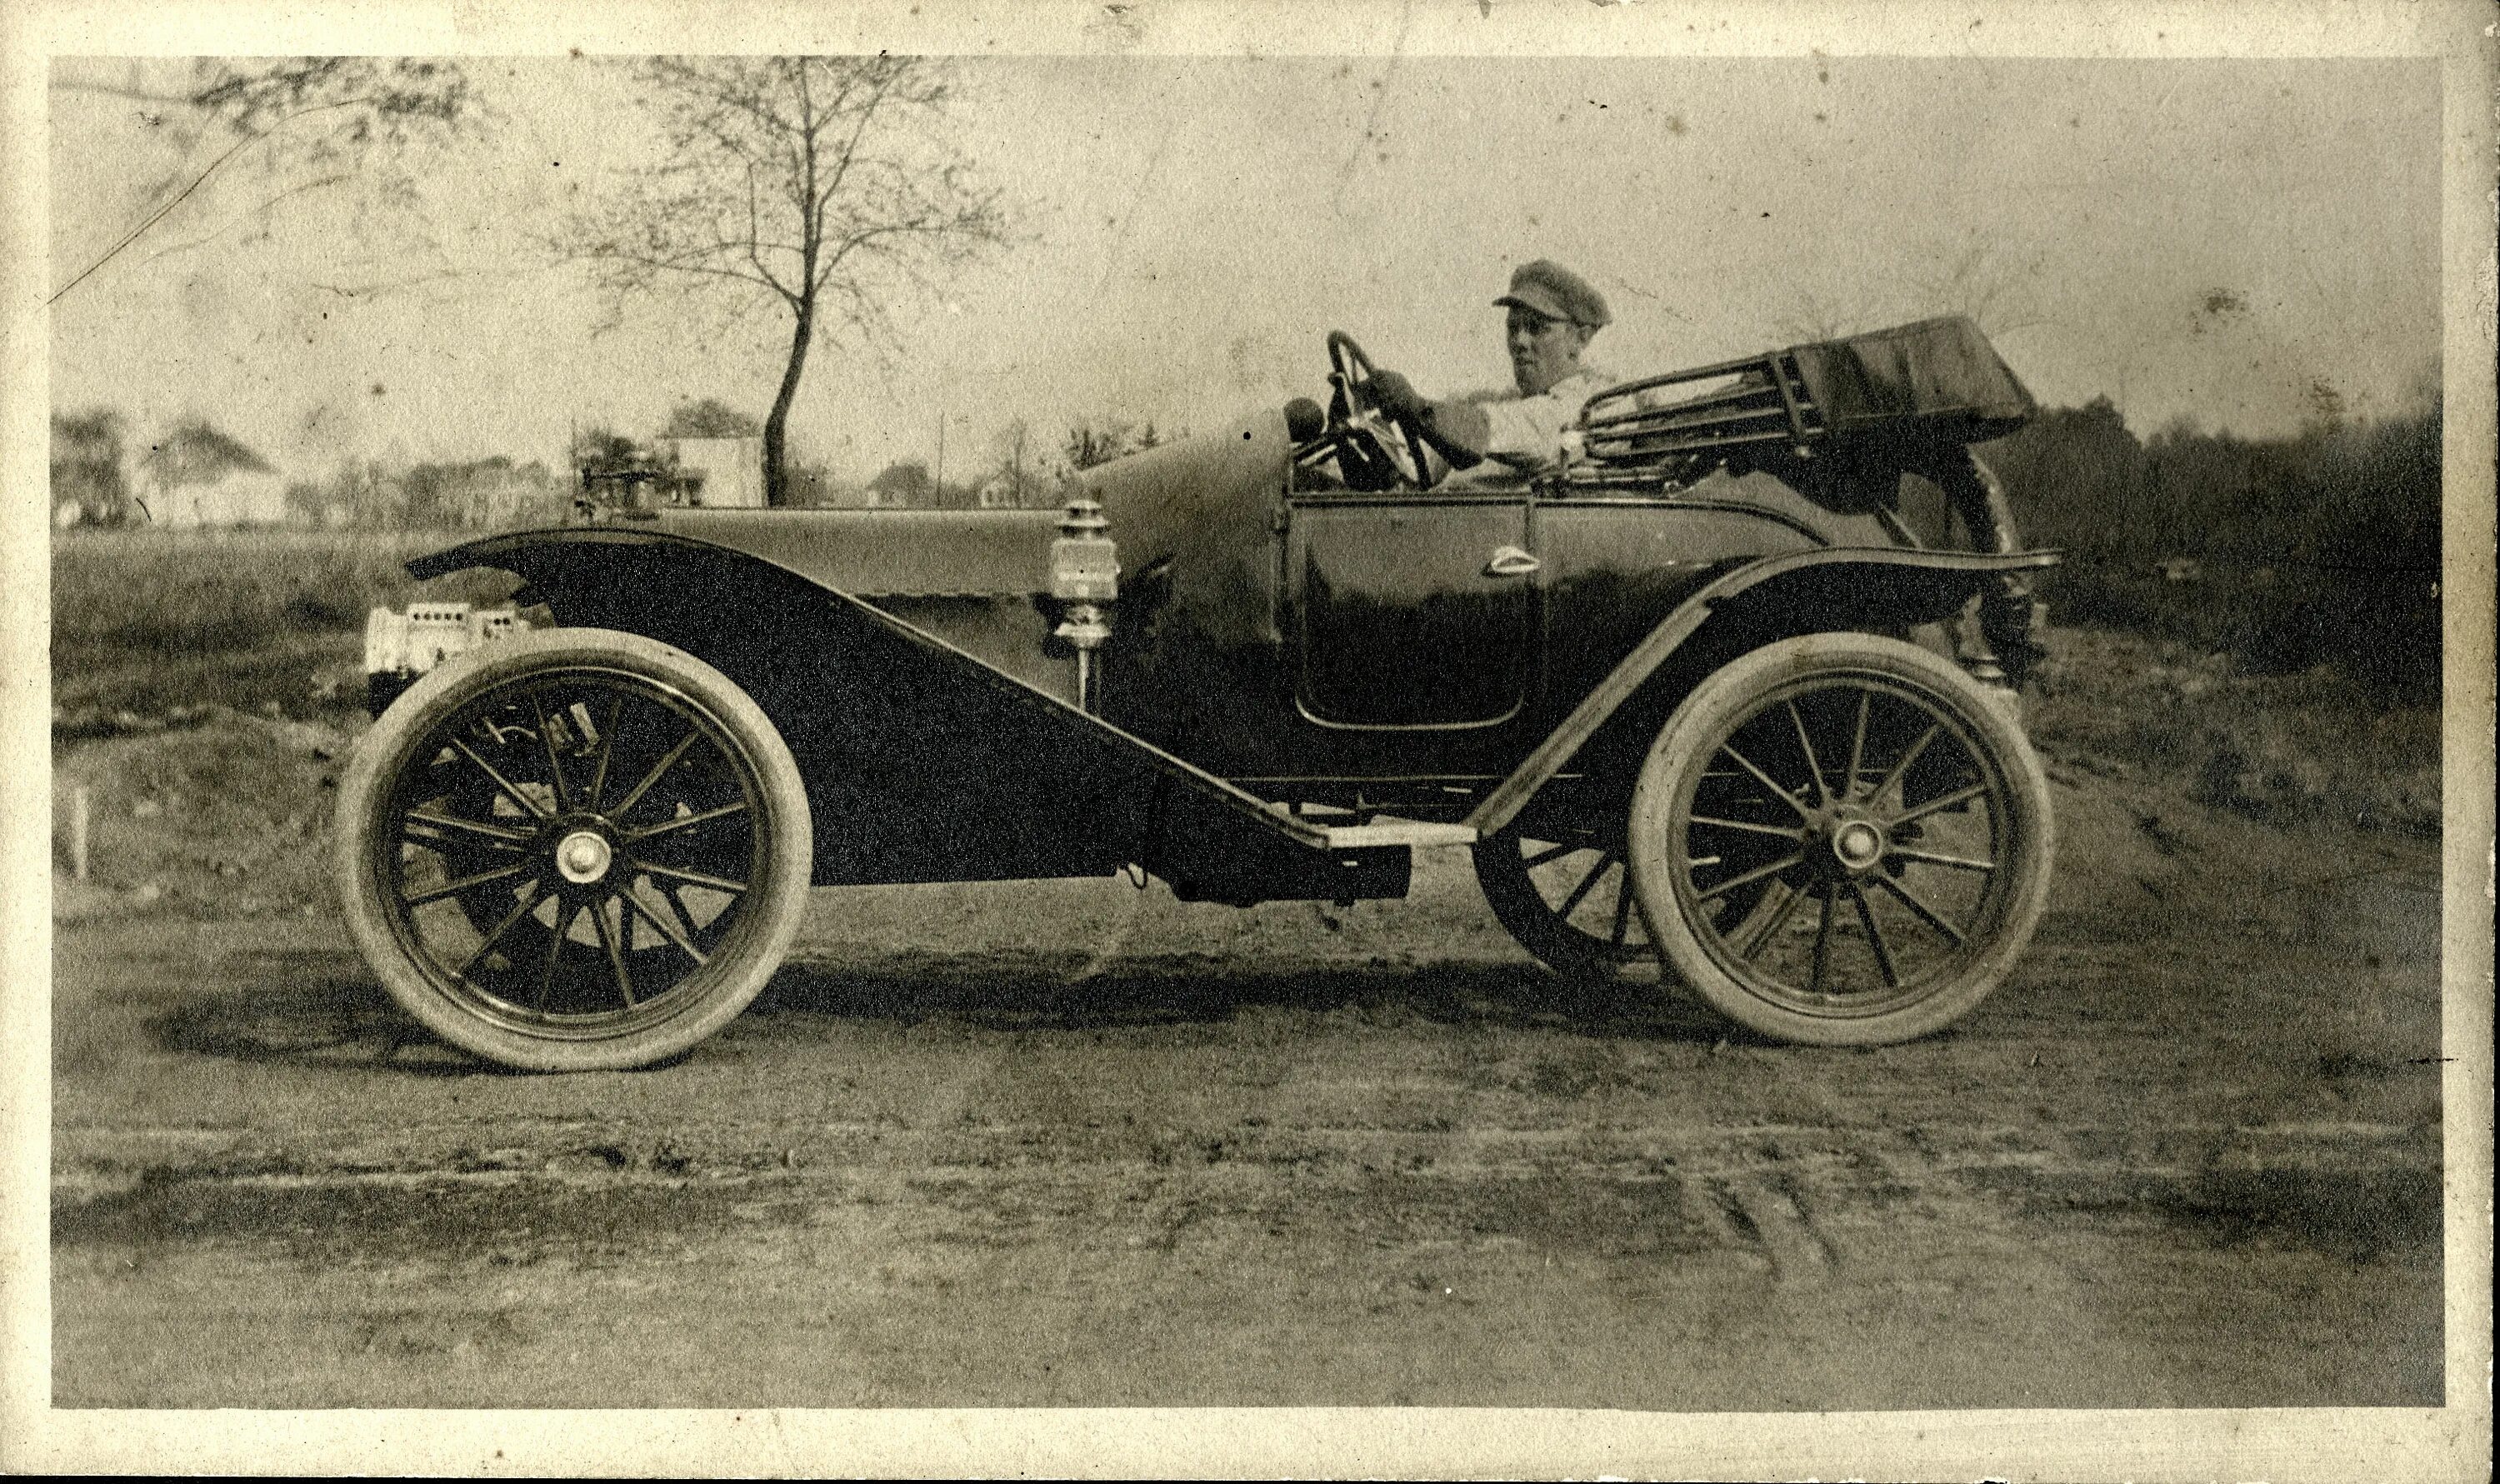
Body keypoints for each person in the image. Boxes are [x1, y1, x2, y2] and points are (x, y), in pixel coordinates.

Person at [1364, 258, 1615, 479]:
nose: (1520, 341)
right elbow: (1419, 471)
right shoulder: (1511, 404)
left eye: (1536, 328)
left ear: (1579, 339)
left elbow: (1508, 429)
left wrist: (1417, 408)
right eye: (1513, 328)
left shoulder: (1588, 406)